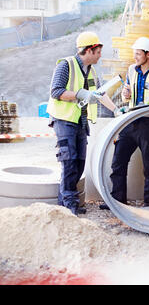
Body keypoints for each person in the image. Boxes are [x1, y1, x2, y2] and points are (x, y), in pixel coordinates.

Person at [100, 37, 149, 210]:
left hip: (148, 123)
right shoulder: (132, 70)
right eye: (134, 54)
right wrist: (125, 93)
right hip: (130, 121)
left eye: (138, 54)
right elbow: (127, 96)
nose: (135, 57)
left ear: (148, 54)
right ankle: (117, 200)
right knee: (118, 162)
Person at [47, 31, 103, 216]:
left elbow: (99, 96)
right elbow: (56, 91)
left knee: (79, 164)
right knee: (69, 161)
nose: (100, 55)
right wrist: (80, 94)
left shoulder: (91, 72)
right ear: (89, 50)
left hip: (80, 123)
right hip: (64, 121)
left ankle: (64, 204)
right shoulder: (66, 65)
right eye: (98, 51)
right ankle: (70, 205)